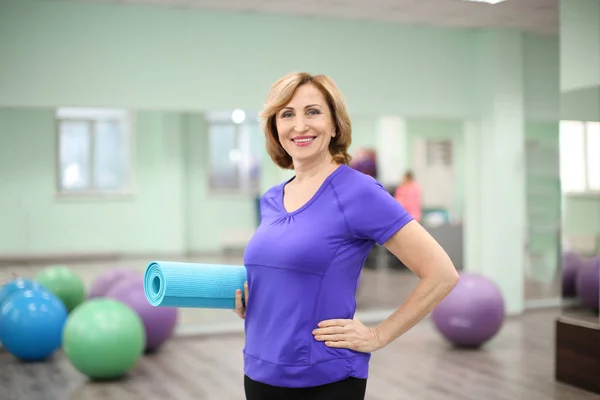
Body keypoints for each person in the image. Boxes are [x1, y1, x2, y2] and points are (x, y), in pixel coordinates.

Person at [234, 72, 459, 400]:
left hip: (324, 378)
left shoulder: (358, 191)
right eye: (287, 114)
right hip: (258, 371)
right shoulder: (271, 198)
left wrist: (379, 335)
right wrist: (256, 301)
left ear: (335, 124)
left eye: (313, 112)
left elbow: (441, 274)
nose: (299, 125)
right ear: (274, 128)